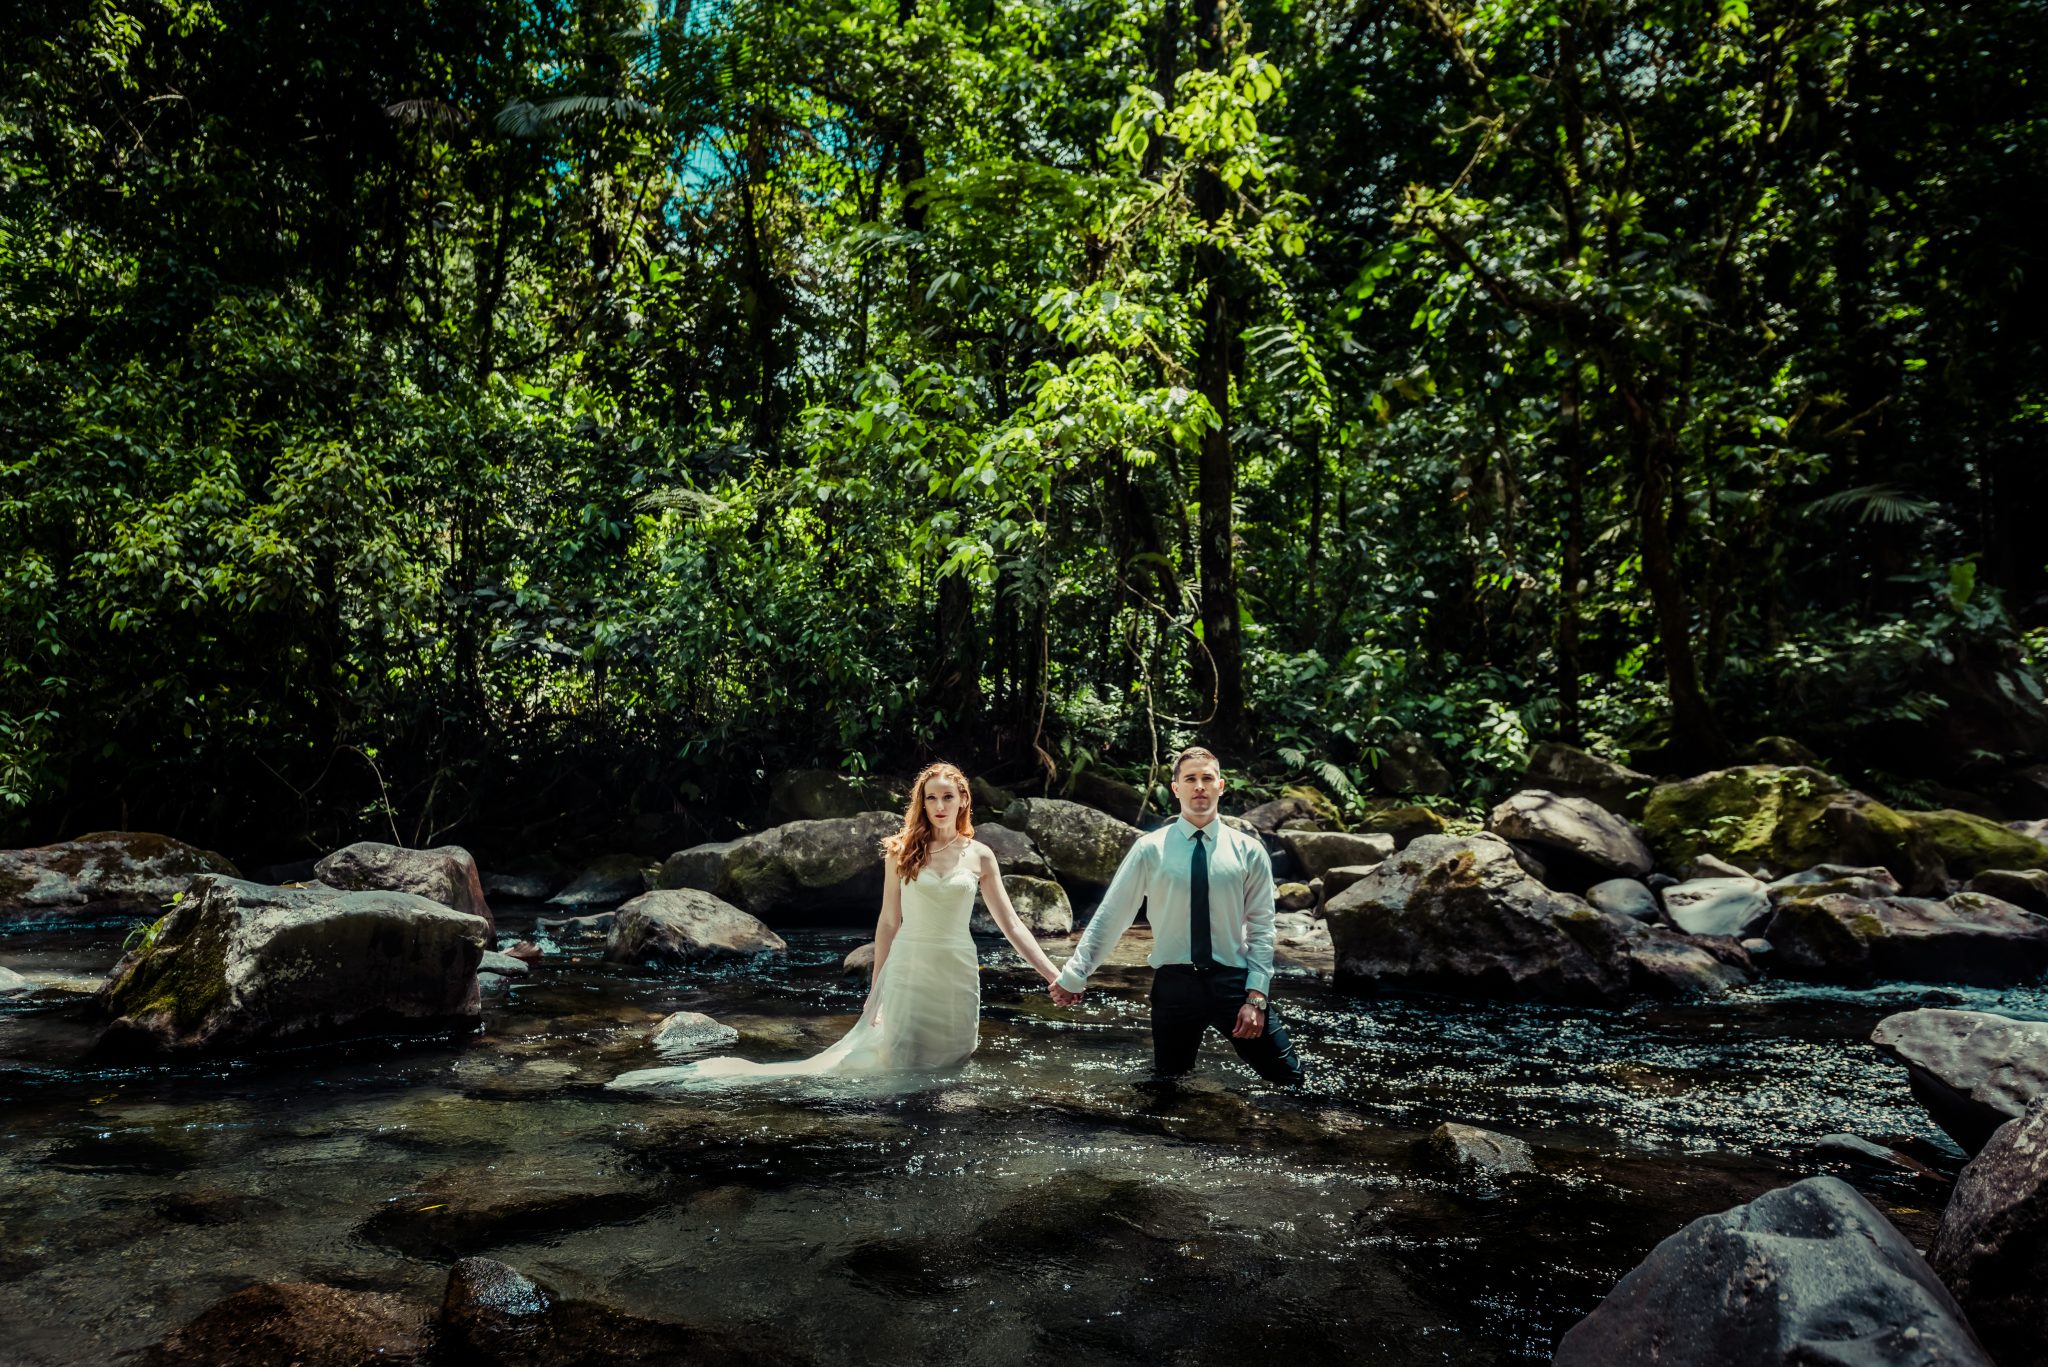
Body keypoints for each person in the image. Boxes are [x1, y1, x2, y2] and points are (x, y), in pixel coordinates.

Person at [612, 761, 1063, 1089]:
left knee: (950, 1060)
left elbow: (1013, 926)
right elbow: (888, 921)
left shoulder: (980, 855)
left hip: (958, 967)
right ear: (921, 803)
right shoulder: (902, 849)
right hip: (910, 965)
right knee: (898, 1060)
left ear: (963, 799)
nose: (940, 805)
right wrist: (876, 989)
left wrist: (1054, 975)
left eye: (948, 796)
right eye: (931, 797)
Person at [1048, 746, 1305, 1087]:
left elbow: (1261, 926)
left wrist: (1257, 996)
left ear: (1221, 786)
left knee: (1291, 1080)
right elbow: (1113, 915)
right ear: (1176, 788)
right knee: (1169, 1088)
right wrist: (1075, 974)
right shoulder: (1149, 849)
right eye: (1191, 779)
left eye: (1207, 778)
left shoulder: (1249, 851)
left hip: (1233, 983)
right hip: (1174, 986)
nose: (1199, 786)